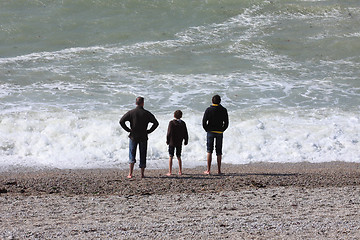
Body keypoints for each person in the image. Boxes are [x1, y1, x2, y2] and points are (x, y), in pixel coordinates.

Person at [119, 97, 159, 178]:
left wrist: (128, 130)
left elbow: (121, 121)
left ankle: (130, 173)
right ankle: (142, 174)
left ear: (136, 103)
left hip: (133, 135)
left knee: (132, 154)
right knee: (143, 154)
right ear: (143, 103)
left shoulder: (131, 112)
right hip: (143, 136)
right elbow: (156, 123)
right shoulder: (147, 113)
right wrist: (149, 131)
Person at [202, 95, 229, 175]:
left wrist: (207, 129)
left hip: (210, 131)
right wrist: (222, 129)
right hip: (219, 132)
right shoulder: (223, 110)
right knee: (219, 151)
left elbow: (204, 122)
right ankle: (219, 170)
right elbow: (226, 123)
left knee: (209, 150)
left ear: (212, 101)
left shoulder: (208, 110)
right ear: (220, 101)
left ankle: (208, 170)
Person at [166, 110, 189, 176]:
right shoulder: (183, 123)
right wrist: (186, 140)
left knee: (171, 156)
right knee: (179, 156)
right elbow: (185, 133)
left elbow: (169, 133)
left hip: (172, 142)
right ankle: (180, 171)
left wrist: (167, 140)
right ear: (181, 116)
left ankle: (170, 171)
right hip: (179, 142)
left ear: (174, 115)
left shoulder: (171, 123)